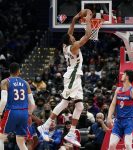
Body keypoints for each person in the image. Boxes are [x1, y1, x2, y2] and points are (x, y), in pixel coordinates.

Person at [38, 10, 92, 147]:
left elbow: (69, 32)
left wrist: (74, 20)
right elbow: (88, 35)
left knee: (79, 106)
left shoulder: (65, 45)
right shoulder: (74, 47)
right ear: (71, 41)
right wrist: (88, 20)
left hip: (76, 76)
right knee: (65, 102)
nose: (73, 37)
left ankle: (72, 132)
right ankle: (45, 126)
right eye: (72, 37)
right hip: (72, 76)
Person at [0, 62, 35, 150]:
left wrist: (0, 112)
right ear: (19, 71)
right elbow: (32, 103)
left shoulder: (5, 82)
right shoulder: (25, 83)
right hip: (24, 113)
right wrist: (29, 114)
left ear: (9, 71)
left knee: (0, 137)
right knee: (20, 141)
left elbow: (4, 100)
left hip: (11, 111)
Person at [107, 70, 133, 150]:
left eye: (123, 74)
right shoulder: (118, 90)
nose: (121, 75)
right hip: (118, 121)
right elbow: (113, 104)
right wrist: (109, 117)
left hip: (129, 121)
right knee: (111, 145)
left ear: (127, 77)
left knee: (128, 146)